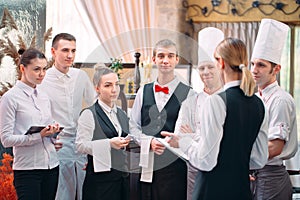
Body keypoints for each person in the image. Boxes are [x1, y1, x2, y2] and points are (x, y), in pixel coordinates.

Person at [163, 37, 269, 200]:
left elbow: (206, 161)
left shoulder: (217, 101)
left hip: (212, 191)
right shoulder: (259, 103)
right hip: (241, 191)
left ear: (221, 62)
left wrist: (182, 141)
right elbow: (258, 159)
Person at [129, 39, 195, 200]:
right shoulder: (143, 91)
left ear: (177, 59)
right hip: (147, 164)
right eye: (161, 56)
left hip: (175, 167)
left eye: (170, 56)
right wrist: (148, 141)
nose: (165, 60)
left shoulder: (189, 93)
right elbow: (133, 126)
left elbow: (192, 132)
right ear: (154, 60)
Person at [39, 33, 96, 200]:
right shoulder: (43, 79)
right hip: (57, 143)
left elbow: (94, 107)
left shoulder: (81, 76)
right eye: (65, 50)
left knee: (84, 191)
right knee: (61, 193)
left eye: (73, 51)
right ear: (53, 52)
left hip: (80, 144)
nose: (70, 55)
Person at [0, 48, 62, 200]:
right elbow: (6, 139)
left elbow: (45, 129)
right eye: (36, 69)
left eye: (44, 69)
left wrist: (53, 137)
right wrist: (38, 136)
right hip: (28, 170)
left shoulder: (44, 97)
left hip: (52, 166)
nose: (41, 74)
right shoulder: (10, 98)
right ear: (22, 68)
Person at [174, 27, 224, 200]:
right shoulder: (190, 102)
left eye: (210, 67)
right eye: (201, 68)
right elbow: (179, 137)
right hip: (194, 170)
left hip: (224, 169)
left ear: (220, 67)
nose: (206, 72)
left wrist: (193, 137)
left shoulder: (230, 99)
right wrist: (198, 140)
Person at [250, 18, 298, 200]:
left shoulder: (280, 100)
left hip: (270, 176)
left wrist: (241, 160)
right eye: (253, 63)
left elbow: (275, 147)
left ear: (276, 69)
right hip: (256, 173)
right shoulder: (255, 98)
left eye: (261, 65)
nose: (254, 70)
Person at [75, 65, 130, 200]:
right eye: (108, 85)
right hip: (99, 182)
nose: (114, 90)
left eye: (116, 85)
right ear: (97, 88)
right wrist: (109, 143)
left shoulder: (121, 114)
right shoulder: (89, 114)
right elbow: (80, 145)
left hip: (121, 179)